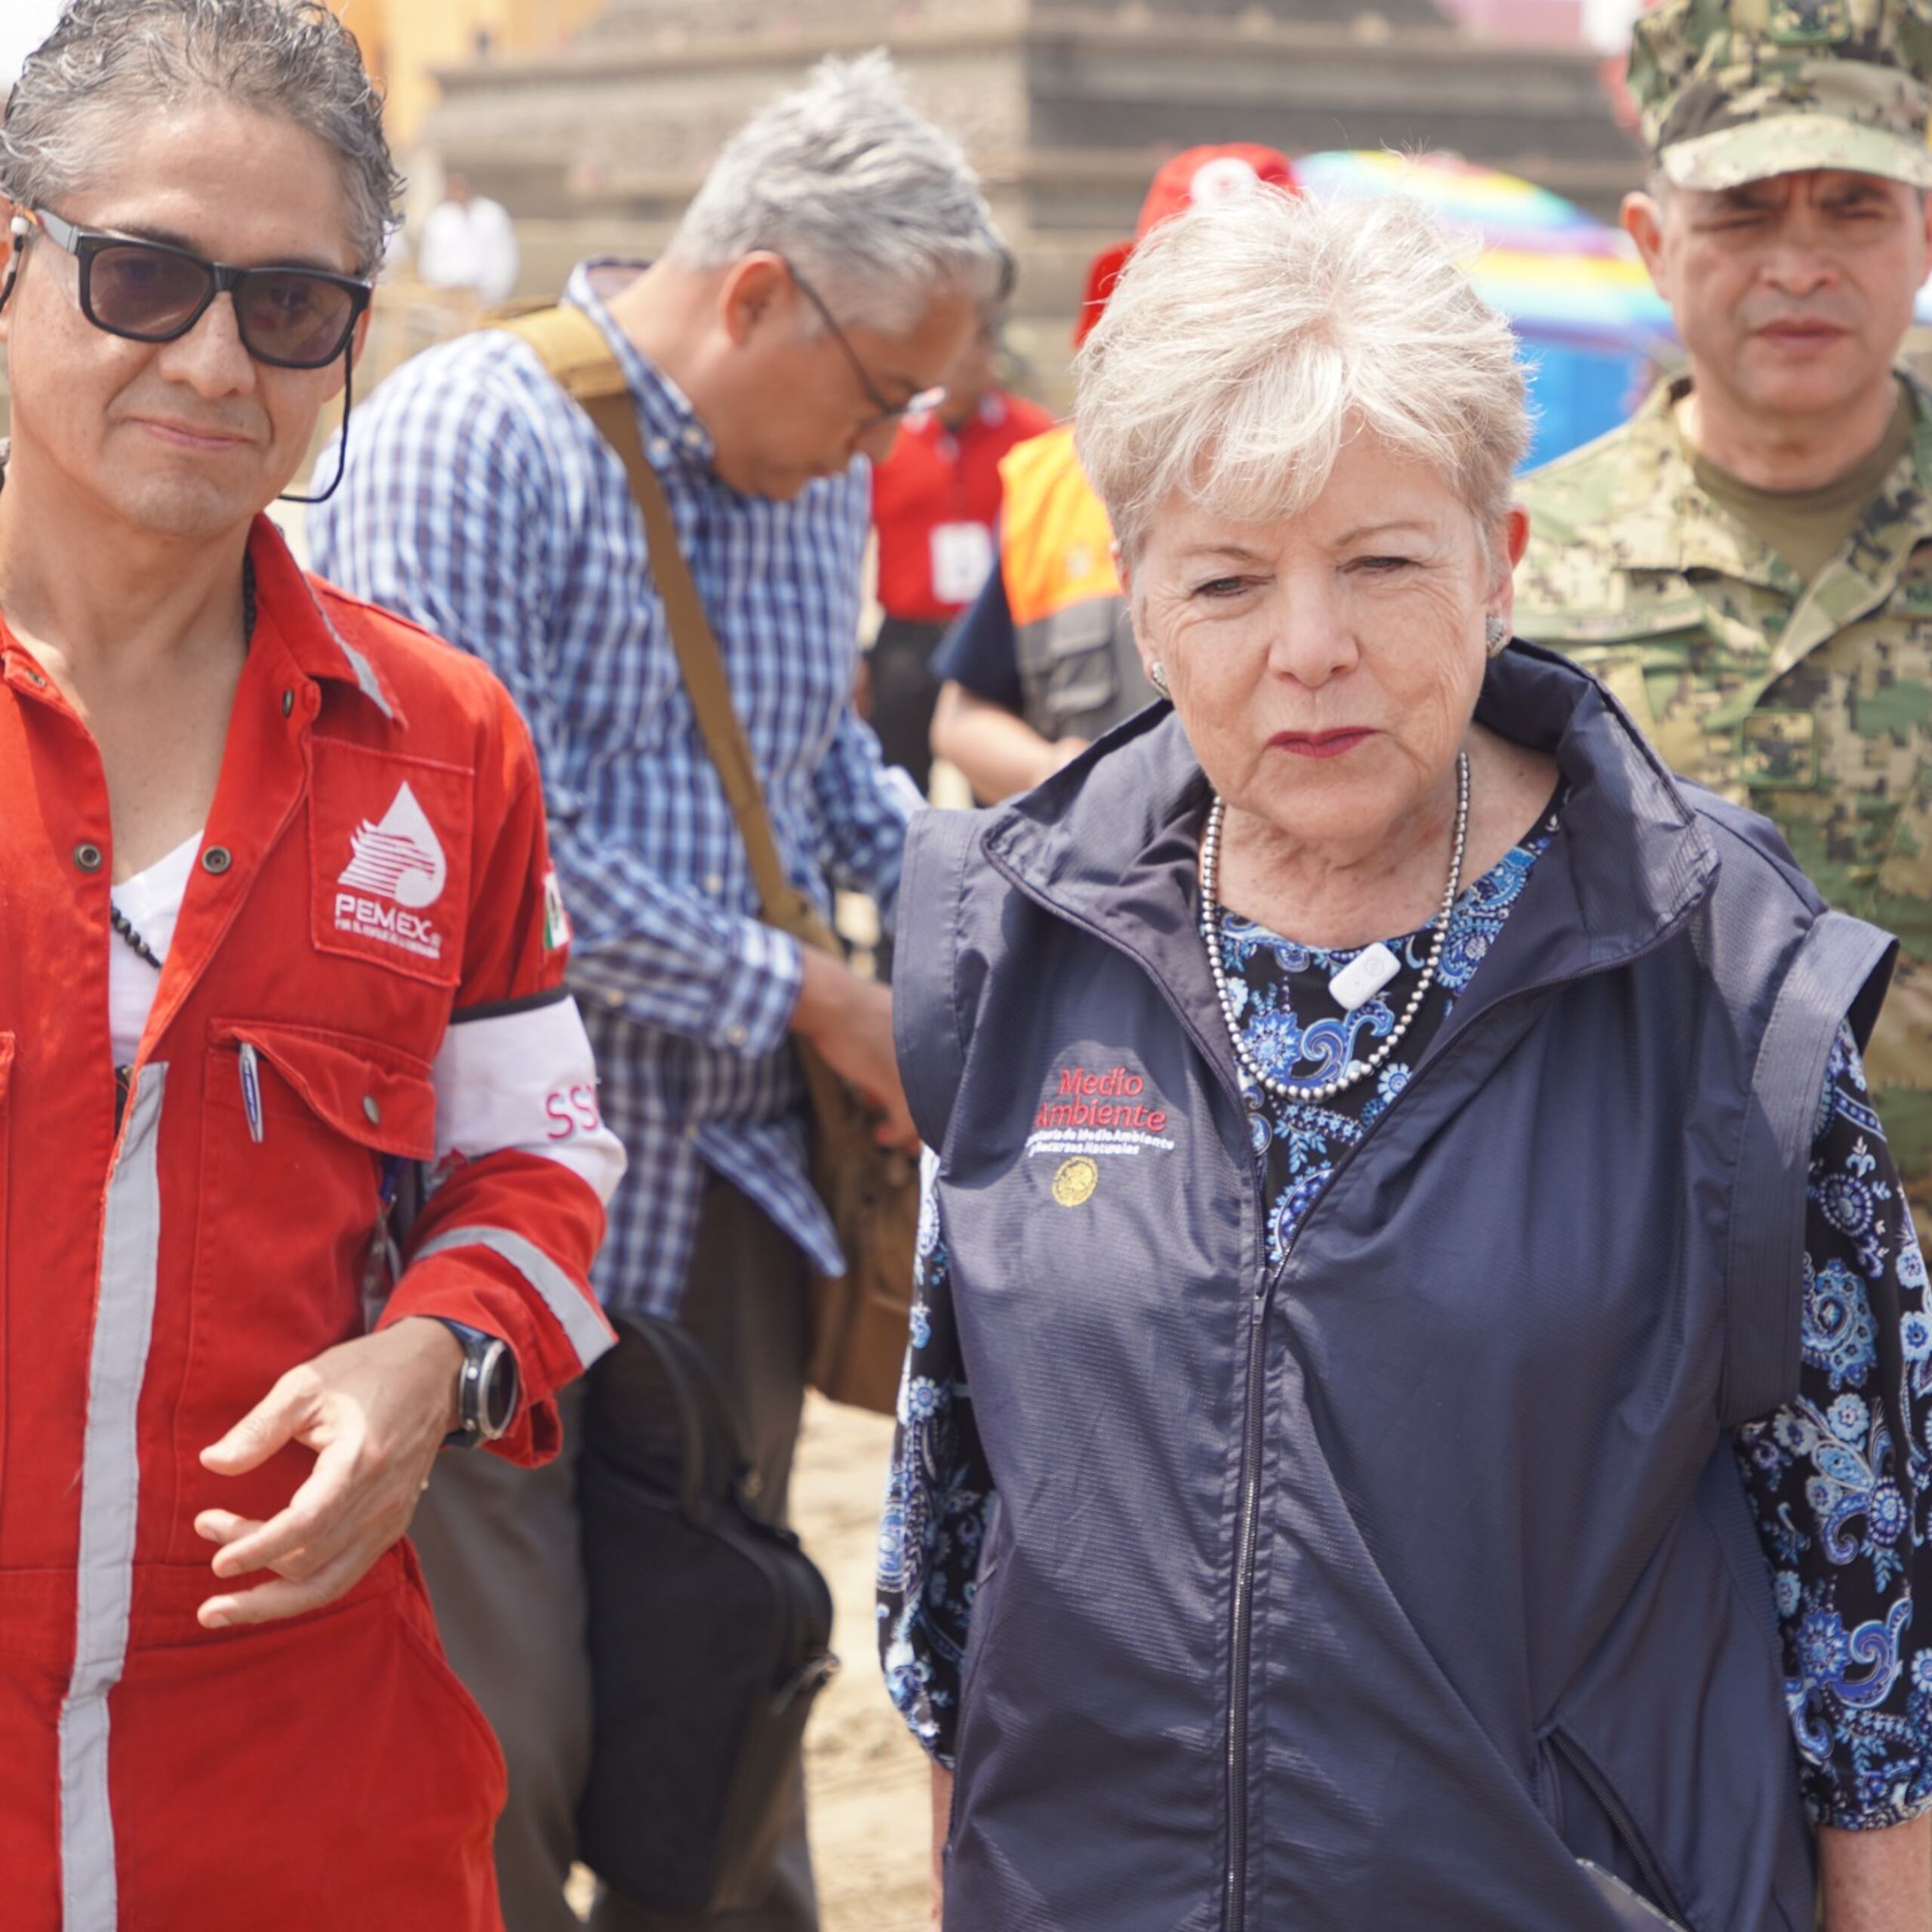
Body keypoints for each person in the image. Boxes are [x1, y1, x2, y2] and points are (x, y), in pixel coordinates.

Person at [878, 183, 1932, 1930]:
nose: (1309, 650)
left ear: (1499, 558)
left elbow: (1863, 1581)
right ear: (1138, 603)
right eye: (1225, 579)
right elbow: (950, 1543)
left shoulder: (1717, 972)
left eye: (1380, 560)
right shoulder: (1015, 935)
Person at [310, 51, 1008, 1932]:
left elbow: (815, 789)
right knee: (503, 1725)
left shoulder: (802, 488)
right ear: (761, 289)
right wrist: (808, 992)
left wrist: (1008, 894)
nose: (879, 447)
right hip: (483, 1200)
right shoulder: (480, 435)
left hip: (724, 1198)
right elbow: (457, 856)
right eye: (877, 397)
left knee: (727, 1684)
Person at [0, 2, 625, 1927]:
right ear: (11, 261)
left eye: (288, 307)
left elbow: (544, 1165)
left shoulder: (444, 747)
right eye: (142, 276)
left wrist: (435, 1354)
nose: (209, 358)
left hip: (309, 1785)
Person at [1515, 0, 1932, 1231]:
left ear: (1924, 232)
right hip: (1649, 1283)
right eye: (1744, 213)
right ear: (1650, 238)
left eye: (1853, 206)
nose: (1799, 264)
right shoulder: (1515, 573)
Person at [927, 143, 1296, 802]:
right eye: (1194, 302)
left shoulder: (1390, 480)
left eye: (1263, 303)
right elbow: (961, 719)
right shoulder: (1055, 487)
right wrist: (1056, 770)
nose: (1229, 334)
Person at [863, 312, 1051, 792]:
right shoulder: (891, 437)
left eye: (980, 343)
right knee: (896, 784)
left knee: (1006, 799)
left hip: (996, 641)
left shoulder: (1033, 434)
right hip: (908, 642)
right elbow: (848, 545)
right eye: (956, 345)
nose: (967, 359)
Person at [417, 169, 521, 307]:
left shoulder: (492, 215)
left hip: (483, 295)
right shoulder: (438, 218)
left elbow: (503, 257)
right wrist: (439, 286)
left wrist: (491, 292)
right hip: (446, 295)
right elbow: (430, 258)